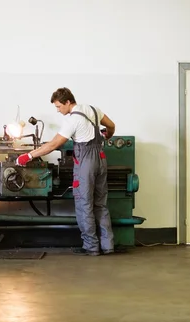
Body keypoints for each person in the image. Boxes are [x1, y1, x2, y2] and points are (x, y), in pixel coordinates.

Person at [16, 87, 116, 256]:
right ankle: (108, 245)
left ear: (68, 102)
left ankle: (91, 247)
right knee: (100, 204)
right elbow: (111, 126)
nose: (58, 110)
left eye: (59, 106)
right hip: (101, 158)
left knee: (84, 204)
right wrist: (107, 136)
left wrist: (28, 156)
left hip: (86, 162)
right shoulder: (94, 109)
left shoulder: (72, 120)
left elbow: (54, 145)